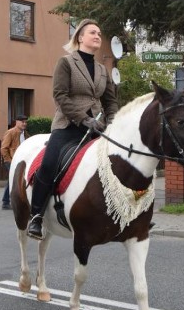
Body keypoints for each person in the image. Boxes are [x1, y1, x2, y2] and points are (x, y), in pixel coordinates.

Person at [27, 19, 118, 240]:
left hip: (99, 126)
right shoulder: (66, 63)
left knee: (120, 162)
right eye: (92, 32)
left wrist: (113, 123)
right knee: (48, 164)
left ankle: (126, 214)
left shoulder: (102, 70)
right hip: (68, 125)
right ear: (80, 37)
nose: (98, 36)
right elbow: (60, 96)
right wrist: (83, 119)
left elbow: (111, 101)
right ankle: (36, 216)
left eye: (99, 33)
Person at [0, 115, 28, 210]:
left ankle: (15, 200)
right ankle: (5, 202)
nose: (24, 124)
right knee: (13, 179)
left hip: (21, 161)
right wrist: (8, 160)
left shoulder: (24, 133)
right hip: (11, 161)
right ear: (17, 122)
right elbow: (4, 148)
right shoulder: (11, 132)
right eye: (22, 122)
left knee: (17, 179)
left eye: (25, 122)